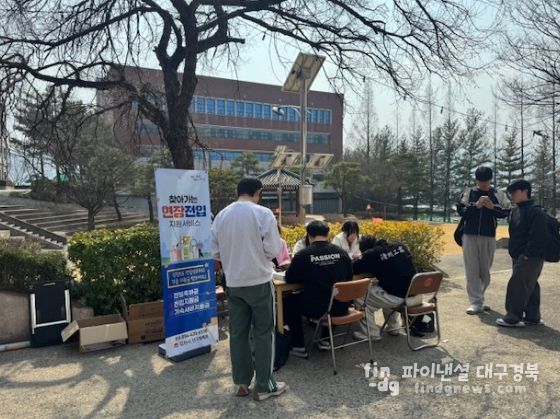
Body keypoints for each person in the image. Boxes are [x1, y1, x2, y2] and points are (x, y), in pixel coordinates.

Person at [211, 177, 287, 401]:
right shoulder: (263, 213)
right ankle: (264, 385)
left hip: (233, 283)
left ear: (238, 192)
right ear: (258, 192)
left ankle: (241, 382)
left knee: (238, 333)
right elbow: (273, 249)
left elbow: (215, 252)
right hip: (259, 281)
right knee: (264, 333)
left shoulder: (222, 215)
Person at [284, 221, 353, 358]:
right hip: (341, 307)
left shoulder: (303, 255)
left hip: (316, 308)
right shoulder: (342, 253)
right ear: (328, 234)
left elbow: (290, 279)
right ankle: (325, 340)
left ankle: (298, 346)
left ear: (309, 235)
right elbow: (349, 278)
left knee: (289, 301)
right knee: (331, 298)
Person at [457, 166, 511, 315]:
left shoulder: (498, 194)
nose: (483, 185)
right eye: (480, 182)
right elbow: (461, 211)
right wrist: (476, 206)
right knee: (471, 269)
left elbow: (506, 211)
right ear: (476, 180)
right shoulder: (469, 192)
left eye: (486, 182)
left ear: (490, 180)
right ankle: (475, 302)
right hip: (469, 235)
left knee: (485, 271)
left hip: (489, 236)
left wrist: (492, 207)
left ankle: (479, 297)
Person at [496, 180, 547, 328]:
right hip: (519, 255)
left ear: (525, 191)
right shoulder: (517, 210)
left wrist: (526, 255)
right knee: (530, 285)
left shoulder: (535, 211)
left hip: (530, 256)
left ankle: (512, 318)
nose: (511, 195)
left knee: (517, 285)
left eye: (514, 192)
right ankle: (532, 316)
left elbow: (538, 236)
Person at [352, 235, 419, 341]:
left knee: (359, 293)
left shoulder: (371, 254)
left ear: (365, 250)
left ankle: (371, 333)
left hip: (399, 298)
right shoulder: (400, 245)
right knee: (386, 287)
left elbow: (354, 269)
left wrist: (360, 257)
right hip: (416, 294)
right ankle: (394, 327)